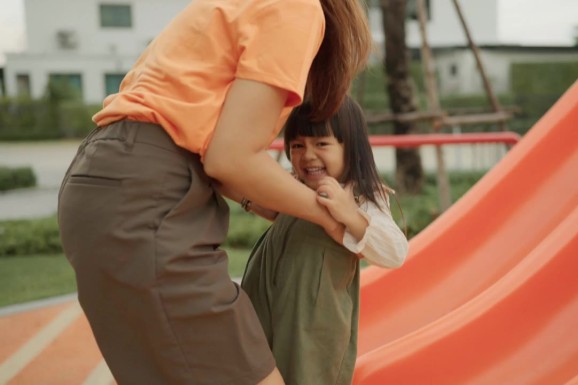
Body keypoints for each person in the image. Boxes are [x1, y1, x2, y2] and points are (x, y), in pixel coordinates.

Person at [56, 0, 372, 384]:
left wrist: (269, 202)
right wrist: (332, 218)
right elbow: (231, 159)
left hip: (101, 180)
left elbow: (218, 162)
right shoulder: (297, 7)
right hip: (147, 195)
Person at [240, 96, 408, 385]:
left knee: (307, 374)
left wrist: (349, 214)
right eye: (297, 145)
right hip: (266, 298)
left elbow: (395, 251)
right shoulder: (294, 185)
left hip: (314, 319)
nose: (308, 155)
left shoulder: (358, 194)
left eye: (322, 144)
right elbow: (266, 201)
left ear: (350, 148)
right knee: (254, 368)